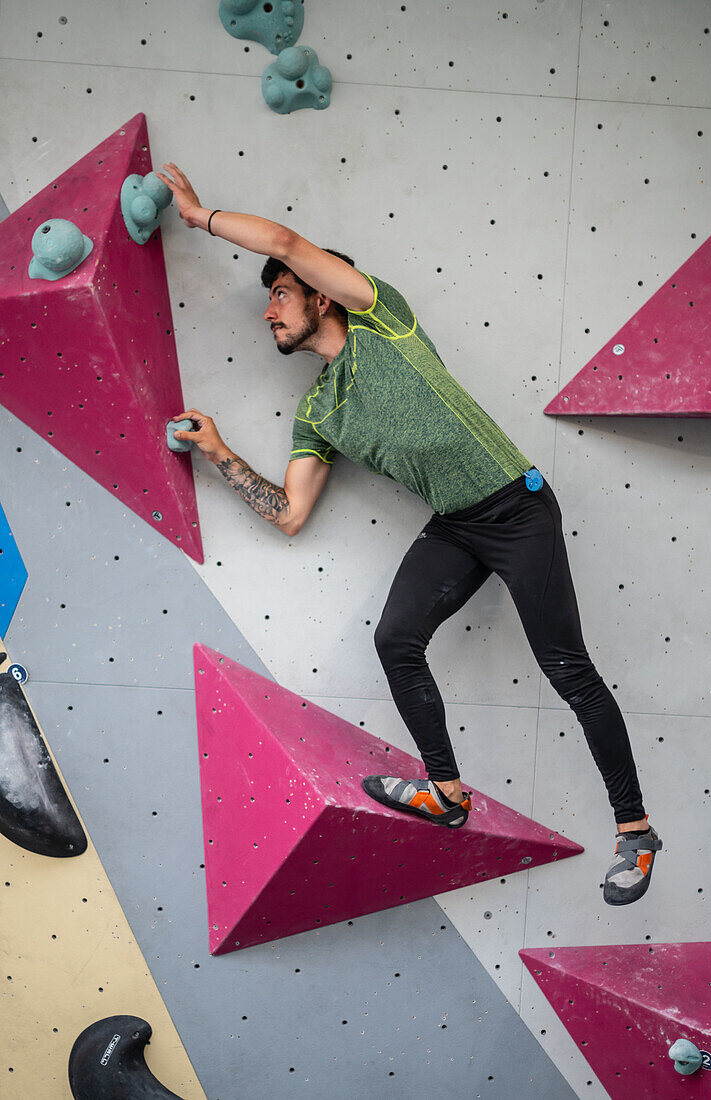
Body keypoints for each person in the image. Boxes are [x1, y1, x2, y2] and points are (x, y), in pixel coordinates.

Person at [157, 163, 661, 906]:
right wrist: (219, 451)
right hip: (456, 525)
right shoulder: (318, 410)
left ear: (318, 294)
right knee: (395, 640)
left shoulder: (381, 321)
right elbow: (290, 513)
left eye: (278, 295)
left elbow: (286, 239)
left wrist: (197, 216)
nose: (268, 314)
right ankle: (446, 792)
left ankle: (635, 830)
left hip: (516, 510)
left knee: (566, 669)